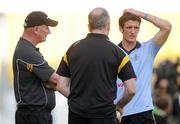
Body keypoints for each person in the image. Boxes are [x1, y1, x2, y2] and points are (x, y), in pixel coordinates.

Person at [56, 7, 136, 124]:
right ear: (108, 25)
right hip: (105, 115)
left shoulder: (73, 49)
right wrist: (119, 106)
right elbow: (131, 90)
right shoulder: (118, 52)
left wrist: (77, 100)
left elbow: (61, 85)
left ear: (89, 26)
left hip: (76, 115)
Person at [115, 8, 172, 124]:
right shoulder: (113, 52)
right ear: (121, 29)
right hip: (119, 114)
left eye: (136, 28)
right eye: (129, 27)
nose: (133, 31)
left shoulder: (148, 49)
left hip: (143, 113)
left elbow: (167, 27)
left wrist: (139, 14)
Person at [12, 11, 70, 124]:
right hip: (33, 116)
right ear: (36, 29)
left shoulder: (27, 49)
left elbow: (52, 82)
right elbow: (56, 80)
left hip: (35, 115)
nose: (49, 32)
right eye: (47, 27)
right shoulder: (26, 51)